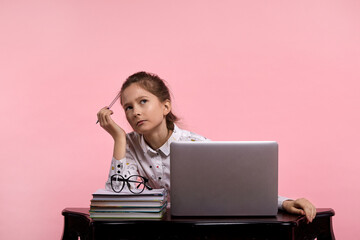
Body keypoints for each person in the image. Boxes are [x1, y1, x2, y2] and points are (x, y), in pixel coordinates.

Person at [97, 71, 316, 223]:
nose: (134, 112)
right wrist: (119, 138)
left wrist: (284, 203)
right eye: (128, 107)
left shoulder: (195, 145)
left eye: (143, 101)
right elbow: (119, 200)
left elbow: (237, 188)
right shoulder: (129, 144)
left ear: (165, 106)